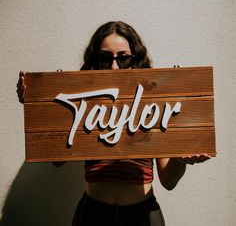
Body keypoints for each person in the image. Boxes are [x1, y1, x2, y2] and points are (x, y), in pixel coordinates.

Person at [18, 21, 211, 226]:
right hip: (93, 214)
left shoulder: (153, 102)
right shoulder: (83, 101)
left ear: (135, 59)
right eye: (105, 58)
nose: (114, 66)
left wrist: (182, 160)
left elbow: (169, 181)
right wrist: (37, 107)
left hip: (142, 215)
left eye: (123, 58)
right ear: (95, 60)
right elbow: (57, 161)